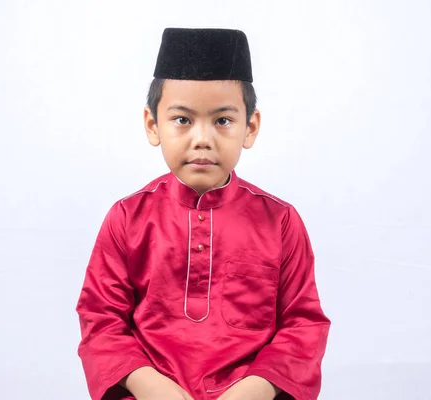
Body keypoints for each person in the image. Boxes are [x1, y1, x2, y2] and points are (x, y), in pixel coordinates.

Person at [76, 27, 330, 400]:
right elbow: (101, 319)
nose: (202, 138)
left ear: (250, 127)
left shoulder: (280, 222)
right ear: (152, 124)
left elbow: (303, 325)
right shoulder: (127, 218)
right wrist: (150, 385)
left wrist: (255, 390)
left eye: (223, 120)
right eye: (182, 119)